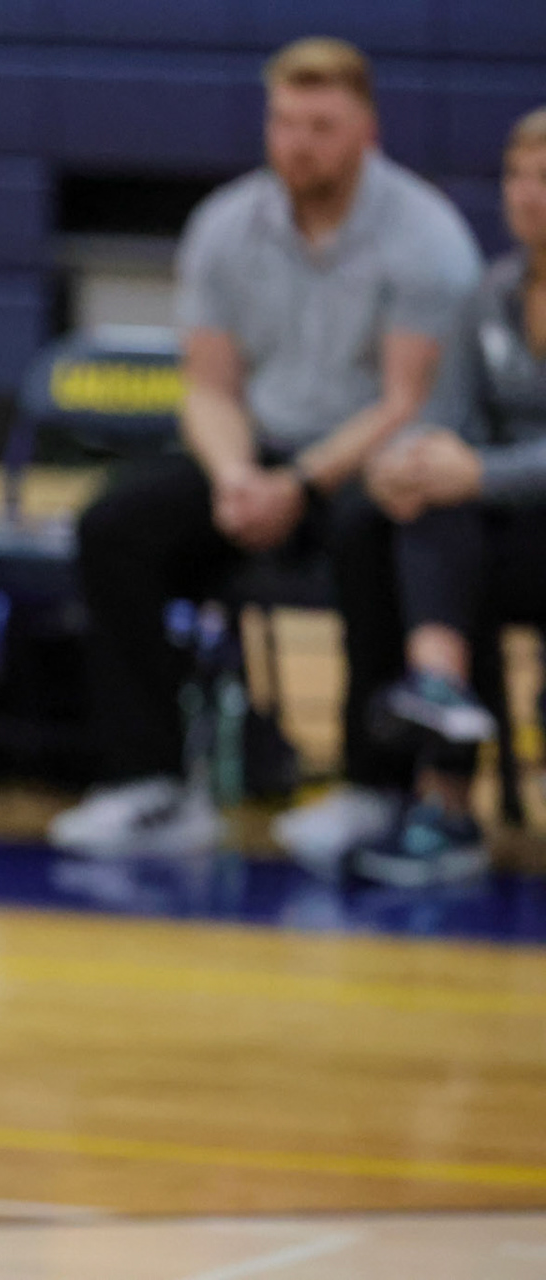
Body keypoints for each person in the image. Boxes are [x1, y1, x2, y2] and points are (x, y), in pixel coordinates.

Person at [48, 37, 483, 860]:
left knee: (372, 531)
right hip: (259, 452)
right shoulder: (226, 224)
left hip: (369, 462)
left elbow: (406, 402)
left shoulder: (424, 235)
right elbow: (208, 387)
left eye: (322, 126)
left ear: (367, 131)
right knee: (116, 525)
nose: (299, 143)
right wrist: (236, 476)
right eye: (285, 123)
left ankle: (372, 786)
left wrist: (302, 486)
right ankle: (152, 783)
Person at [355, 106, 546, 886]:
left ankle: (444, 700)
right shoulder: (492, 293)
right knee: (424, 510)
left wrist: (481, 474)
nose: (528, 194)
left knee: (460, 498)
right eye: (516, 176)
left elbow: (480, 465)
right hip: (519, 531)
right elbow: (447, 417)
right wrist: (401, 463)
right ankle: (443, 763)